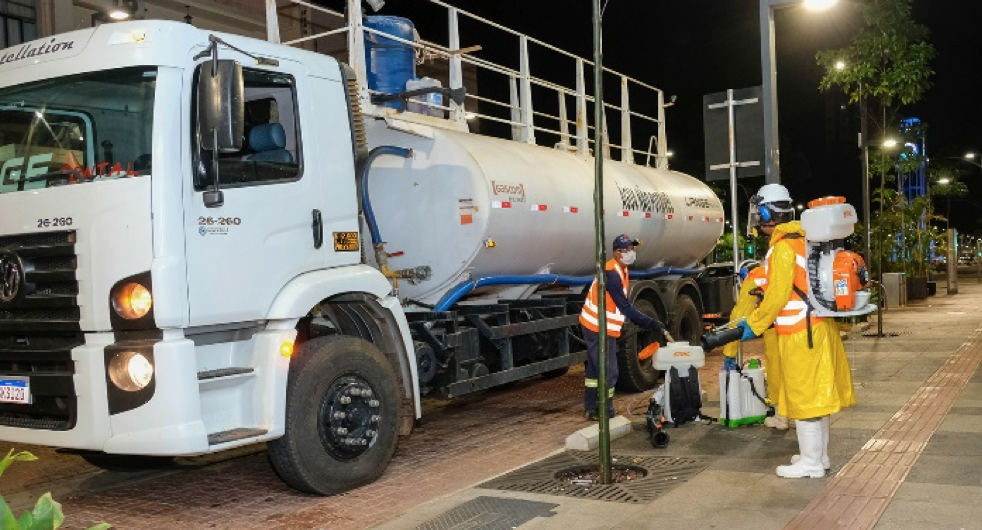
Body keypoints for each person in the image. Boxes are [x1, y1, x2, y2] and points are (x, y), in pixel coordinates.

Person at [736, 185, 856, 478]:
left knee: (805, 399)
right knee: (816, 398)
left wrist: (752, 325)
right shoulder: (807, 238)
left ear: (766, 213)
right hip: (819, 327)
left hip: (801, 334)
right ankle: (818, 457)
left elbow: (777, 297)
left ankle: (811, 463)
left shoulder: (782, 248)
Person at [722, 183, 791, 430]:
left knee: (778, 373)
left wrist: (730, 352)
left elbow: (740, 316)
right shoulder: (803, 240)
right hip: (807, 328)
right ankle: (795, 421)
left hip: (781, 329)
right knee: (799, 380)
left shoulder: (777, 252)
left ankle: (784, 417)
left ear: (764, 214)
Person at [579, 234, 666, 421]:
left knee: (595, 370)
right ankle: (605, 411)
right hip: (597, 326)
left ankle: (591, 408)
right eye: (626, 250)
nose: (630, 253)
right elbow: (624, 306)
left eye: (632, 249)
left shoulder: (621, 269)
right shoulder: (611, 273)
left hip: (600, 326)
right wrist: (650, 322)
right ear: (616, 252)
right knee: (610, 371)